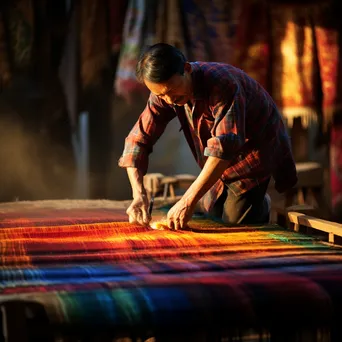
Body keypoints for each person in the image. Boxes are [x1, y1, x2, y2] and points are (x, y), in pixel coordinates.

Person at [118, 43, 298, 230]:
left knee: (236, 222)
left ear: (186, 69)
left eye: (172, 91)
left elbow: (224, 149)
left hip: (255, 148)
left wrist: (187, 200)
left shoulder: (222, 84)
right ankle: (240, 200)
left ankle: (262, 202)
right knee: (212, 212)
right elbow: (137, 141)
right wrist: (139, 195)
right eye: (161, 95)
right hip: (223, 153)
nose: (169, 100)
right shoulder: (163, 92)